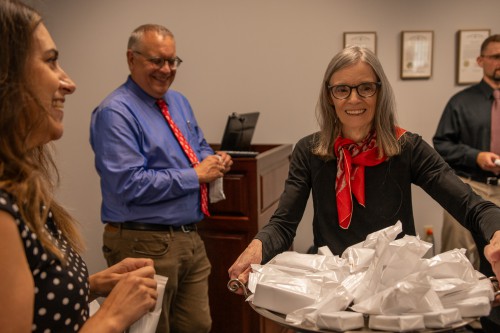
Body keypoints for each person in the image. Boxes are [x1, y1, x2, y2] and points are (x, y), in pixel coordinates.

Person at [228, 45, 500, 327]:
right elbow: (284, 224)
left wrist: (498, 233)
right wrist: (255, 248)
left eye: (365, 88)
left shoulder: (407, 147)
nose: (354, 99)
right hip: (333, 291)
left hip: (396, 294)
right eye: (342, 89)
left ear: (379, 92)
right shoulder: (309, 151)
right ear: (329, 96)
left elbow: (472, 206)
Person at [0, 1, 158, 332]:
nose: (68, 83)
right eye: (50, 61)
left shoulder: (22, 188)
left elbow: (35, 303)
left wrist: (91, 284)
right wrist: (112, 317)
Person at [90, 24, 232, 333]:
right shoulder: (115, 112)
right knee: (151, 330)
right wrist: (195, 175)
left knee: (198, 326)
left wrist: (214, 160)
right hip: (143, 241)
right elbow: (128, 184)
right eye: (157, 61)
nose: (166, 69)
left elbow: (198, 146)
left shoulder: (178, 102)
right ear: (132, 59)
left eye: (172, 61)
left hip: (189, 238)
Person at [433, 34, 500, 331]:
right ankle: (460, 322)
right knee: (458, 258)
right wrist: (476, 156)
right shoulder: (461, 102)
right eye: (495, 56)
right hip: (471, 187)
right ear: (481, 61)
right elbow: (441, 144)